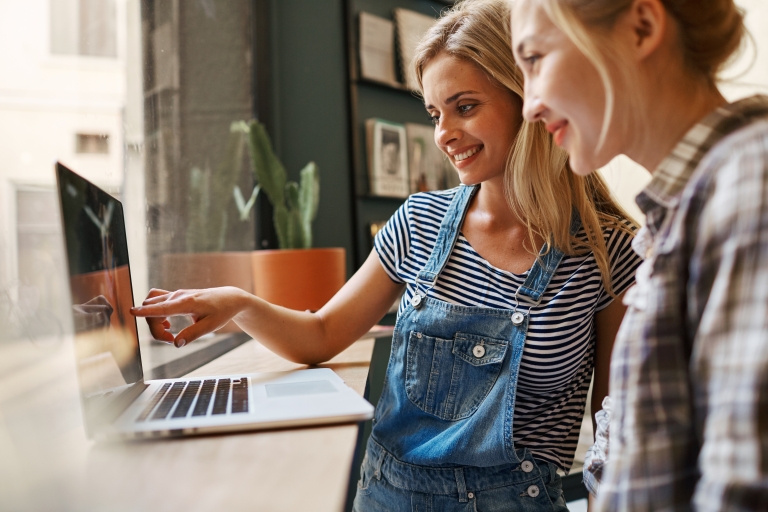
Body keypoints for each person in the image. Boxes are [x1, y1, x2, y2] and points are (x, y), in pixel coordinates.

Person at [132, 0, 640, 509]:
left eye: (465, 107)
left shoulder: (611, 252)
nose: (445, 134)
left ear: (528, 98)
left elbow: (614, 430)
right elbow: (322, 334)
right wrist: (239, 302)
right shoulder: (419, 223)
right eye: (435, 113)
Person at [511, 0, 768, 510]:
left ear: (642, 27)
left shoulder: (748, 187)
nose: (528, 105)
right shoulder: (685, 207)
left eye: (536, 58)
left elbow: (740, 491)